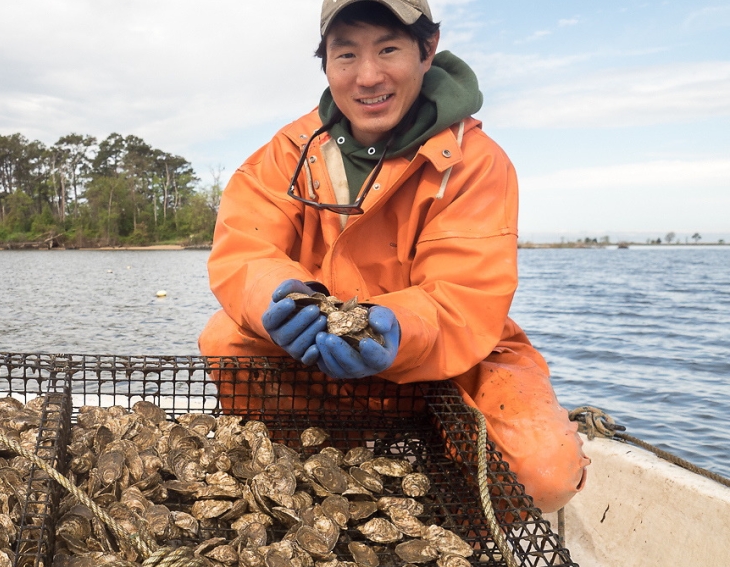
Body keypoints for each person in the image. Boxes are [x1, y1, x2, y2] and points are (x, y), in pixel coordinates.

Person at [198, 0, 589, 512]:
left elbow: (463, 297)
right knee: (226, 338)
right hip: (320, 345)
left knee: (542, 472)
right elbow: (246, 249)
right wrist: (282, 296)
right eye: (345, 55)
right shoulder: (288, 151)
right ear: (326, 65)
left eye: (388, 49)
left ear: (427, 50)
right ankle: (296, 492)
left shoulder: (475, 163)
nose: (367, 75)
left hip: (448, 352)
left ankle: (453, 542)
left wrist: (398, 328)